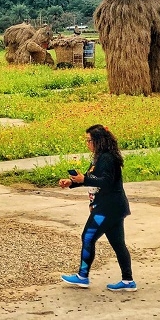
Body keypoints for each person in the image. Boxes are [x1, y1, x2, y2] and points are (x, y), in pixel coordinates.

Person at [59, 124, 136, 292]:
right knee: (118, 244)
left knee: (88, 237)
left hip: (107, 208)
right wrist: (72, 182)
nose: (87, 144)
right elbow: (91, 178)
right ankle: (128, 280)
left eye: (89, 140)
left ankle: (82, 276)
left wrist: (84, 180)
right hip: (113, 208)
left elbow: (106, 182)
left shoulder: (107, 158)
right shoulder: (99, 158)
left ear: (98, 141)